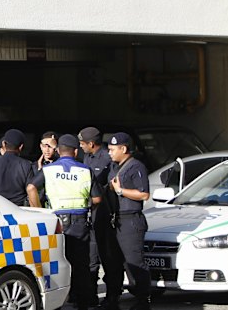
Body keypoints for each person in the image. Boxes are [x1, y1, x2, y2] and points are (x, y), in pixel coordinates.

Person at [26, 134, 101, 310]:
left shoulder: (49, 170)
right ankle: (81, 302)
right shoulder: (85, 170)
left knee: (55, 262)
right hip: (79, 223)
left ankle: (56, 303)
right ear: (76, 152)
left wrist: (39, 211)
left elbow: (31, 188)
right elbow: (97, 199)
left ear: (58, 151)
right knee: (80, 264)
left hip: (56, 222)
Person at [107, 132, 151, 310]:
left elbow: (144, 194)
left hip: (130, 220)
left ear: (123, 148)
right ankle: (113, 298)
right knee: (114, 262)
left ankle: (142, 299)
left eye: (112, 149)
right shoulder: (116, 166)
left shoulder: (136, 167)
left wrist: (120, 191)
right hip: (116, 220)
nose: (109, 153)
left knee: (134, 261)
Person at [78, 127, 116, 308]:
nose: (80, 147)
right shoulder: (87, 158)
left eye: (82, 143)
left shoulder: (108, 159)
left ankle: (112, 297)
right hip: (91, 215)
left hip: (105, 215)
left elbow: (109, 187)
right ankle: (91, 296)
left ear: (91, 144)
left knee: (108, 258)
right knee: (91, 259)